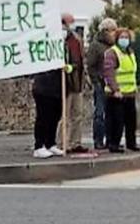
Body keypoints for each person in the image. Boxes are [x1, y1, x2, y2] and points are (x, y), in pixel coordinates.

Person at [103, 28, 140, 153]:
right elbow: (109, 72)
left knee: (131, 121)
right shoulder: (112, 53)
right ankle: (114, 144)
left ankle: (131, 143)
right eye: (122, 37)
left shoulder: (130, 52)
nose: (125, 40)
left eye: (127, 37)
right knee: (116, 122)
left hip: (130, 92)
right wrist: (115, 89)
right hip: (116, 94)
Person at [57, 13, 89, 153]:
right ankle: (61, 143)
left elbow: (81, 60)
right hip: (67, 83)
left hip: (77, 82)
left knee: (78, 114)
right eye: (70, 22)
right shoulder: (60, 39)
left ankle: (75, 142)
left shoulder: (77, 39)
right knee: (65, 116)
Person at [86, 17, 117, 150]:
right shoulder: (96, 46)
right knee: (100, 113)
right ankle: (98, 140)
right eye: (112, 30)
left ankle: (110, 139)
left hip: (112, 83)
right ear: (105, 31)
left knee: (111, 113)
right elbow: (91, 65)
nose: (114, 33)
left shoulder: (114, 47)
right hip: (100, 83)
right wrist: (96, 80)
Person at [32, 67, 65, 159]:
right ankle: (39, 145)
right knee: (43, 117)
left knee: (55, 117)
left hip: (57, 88)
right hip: (43, 88)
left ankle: (50, 143)